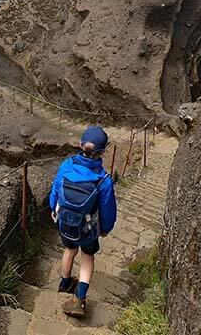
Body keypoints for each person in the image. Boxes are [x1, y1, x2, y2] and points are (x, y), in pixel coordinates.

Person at [49, 125, 117, 318]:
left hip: (66, 224)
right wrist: (105, 229)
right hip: (88, 229)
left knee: (69, 250)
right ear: (103, 151)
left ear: (80, 144)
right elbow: (107, 209)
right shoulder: (103, 180)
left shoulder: (66, 166)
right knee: (87, 257)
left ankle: (64, 283)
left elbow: (55, 190)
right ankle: (79, 298)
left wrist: (53, 209)